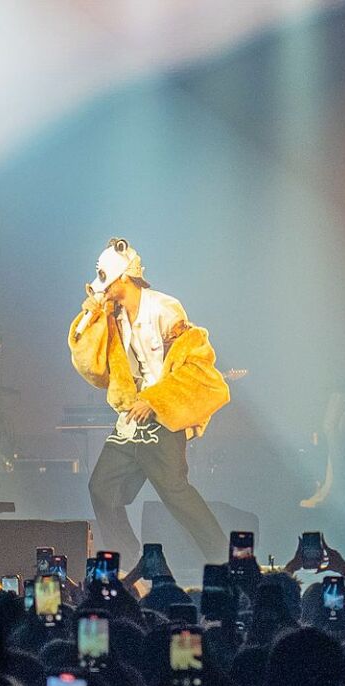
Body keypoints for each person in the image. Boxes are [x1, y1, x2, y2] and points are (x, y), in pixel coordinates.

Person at [68, 238, 230, 563]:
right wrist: (93, 312)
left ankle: (229, 566)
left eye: (106, 279)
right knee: (102, 489)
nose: (101, 286)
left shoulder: (164, 309)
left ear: (124, 278)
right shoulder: (112, 316)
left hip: (162, 416)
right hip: (131, 418)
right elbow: (90, 360)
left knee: (176, 494)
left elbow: (192, 364)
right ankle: (130, 566)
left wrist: (156, 400)